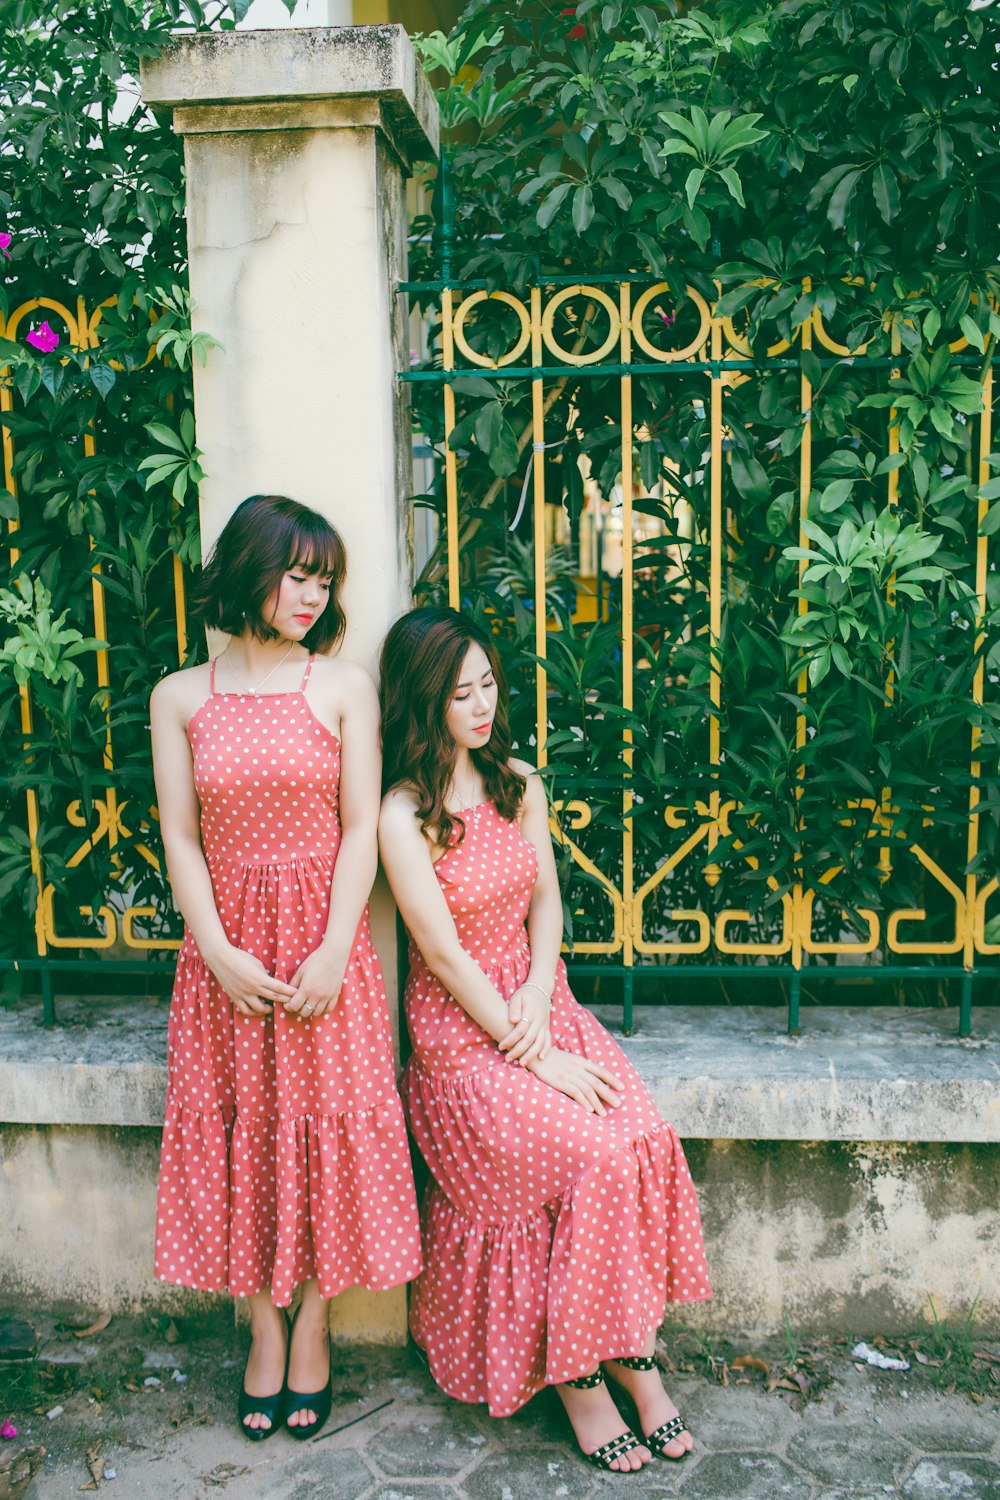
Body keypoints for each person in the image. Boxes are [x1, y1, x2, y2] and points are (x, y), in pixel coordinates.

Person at [377, 606, 711, 1474]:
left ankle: (630, 1354)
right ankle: (582, 1381)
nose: (482, 704)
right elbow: (444, 957)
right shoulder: (403, 814)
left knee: (637, 1138)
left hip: (540, 1004)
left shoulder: (518, 781)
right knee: (593, 1160)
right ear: (423, 700)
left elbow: (548, 901)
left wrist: (538, 989)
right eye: (461, 692)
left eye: (489, 684)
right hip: (463, 1045)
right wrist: (535, 1052)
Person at [150, 495, 422, 1442]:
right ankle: (259, 1325)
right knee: (243, 1137)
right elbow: (180, 837)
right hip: (224, 953)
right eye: (297, 573)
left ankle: (313, 1321)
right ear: (249, 568)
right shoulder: (181, 696)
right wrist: (217, 948)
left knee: (319, 1136)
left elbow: (359, 829)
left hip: (323, 949)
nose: (313, 594)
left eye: (325, 579)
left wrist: (338, 945)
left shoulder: (341, 686)